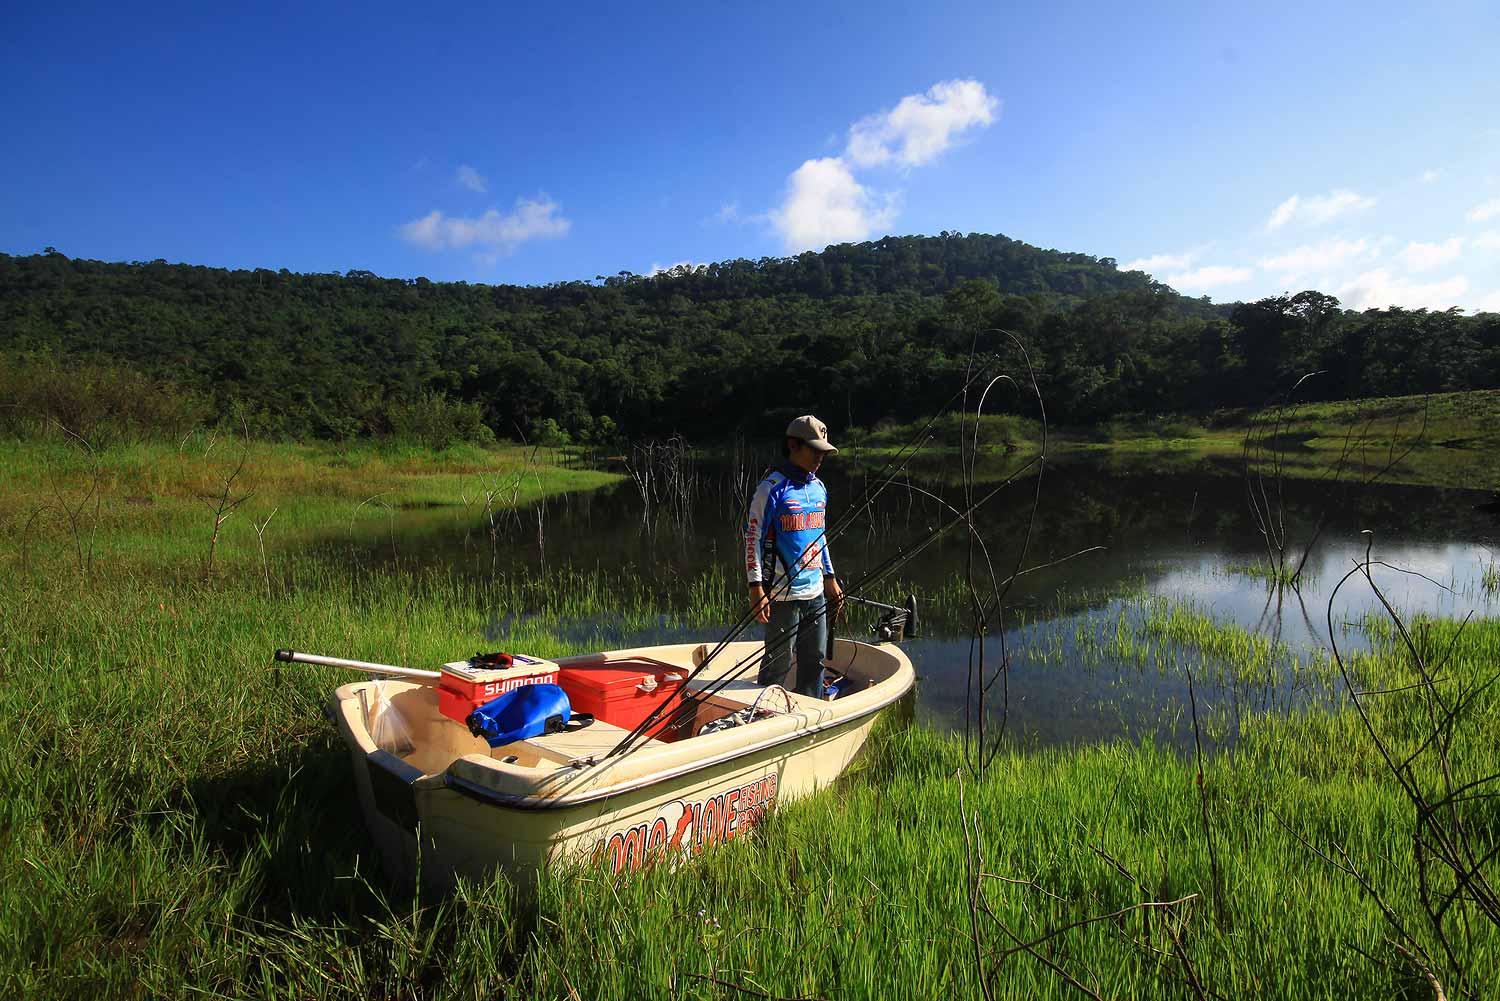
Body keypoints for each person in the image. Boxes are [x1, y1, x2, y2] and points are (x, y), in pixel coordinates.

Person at [743, 415, 845, 697]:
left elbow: (819, 537)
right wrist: (756, 588)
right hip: (781, 595)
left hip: (815, 593)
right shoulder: (771, 488)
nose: (819, 457)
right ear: (792, 445)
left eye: (823, 451)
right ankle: (763, 714)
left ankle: (810, 711)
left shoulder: (819, 488)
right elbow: (752, 538)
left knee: (815, 659)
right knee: (778, 662)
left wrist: (830, 577)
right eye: (814, 450)